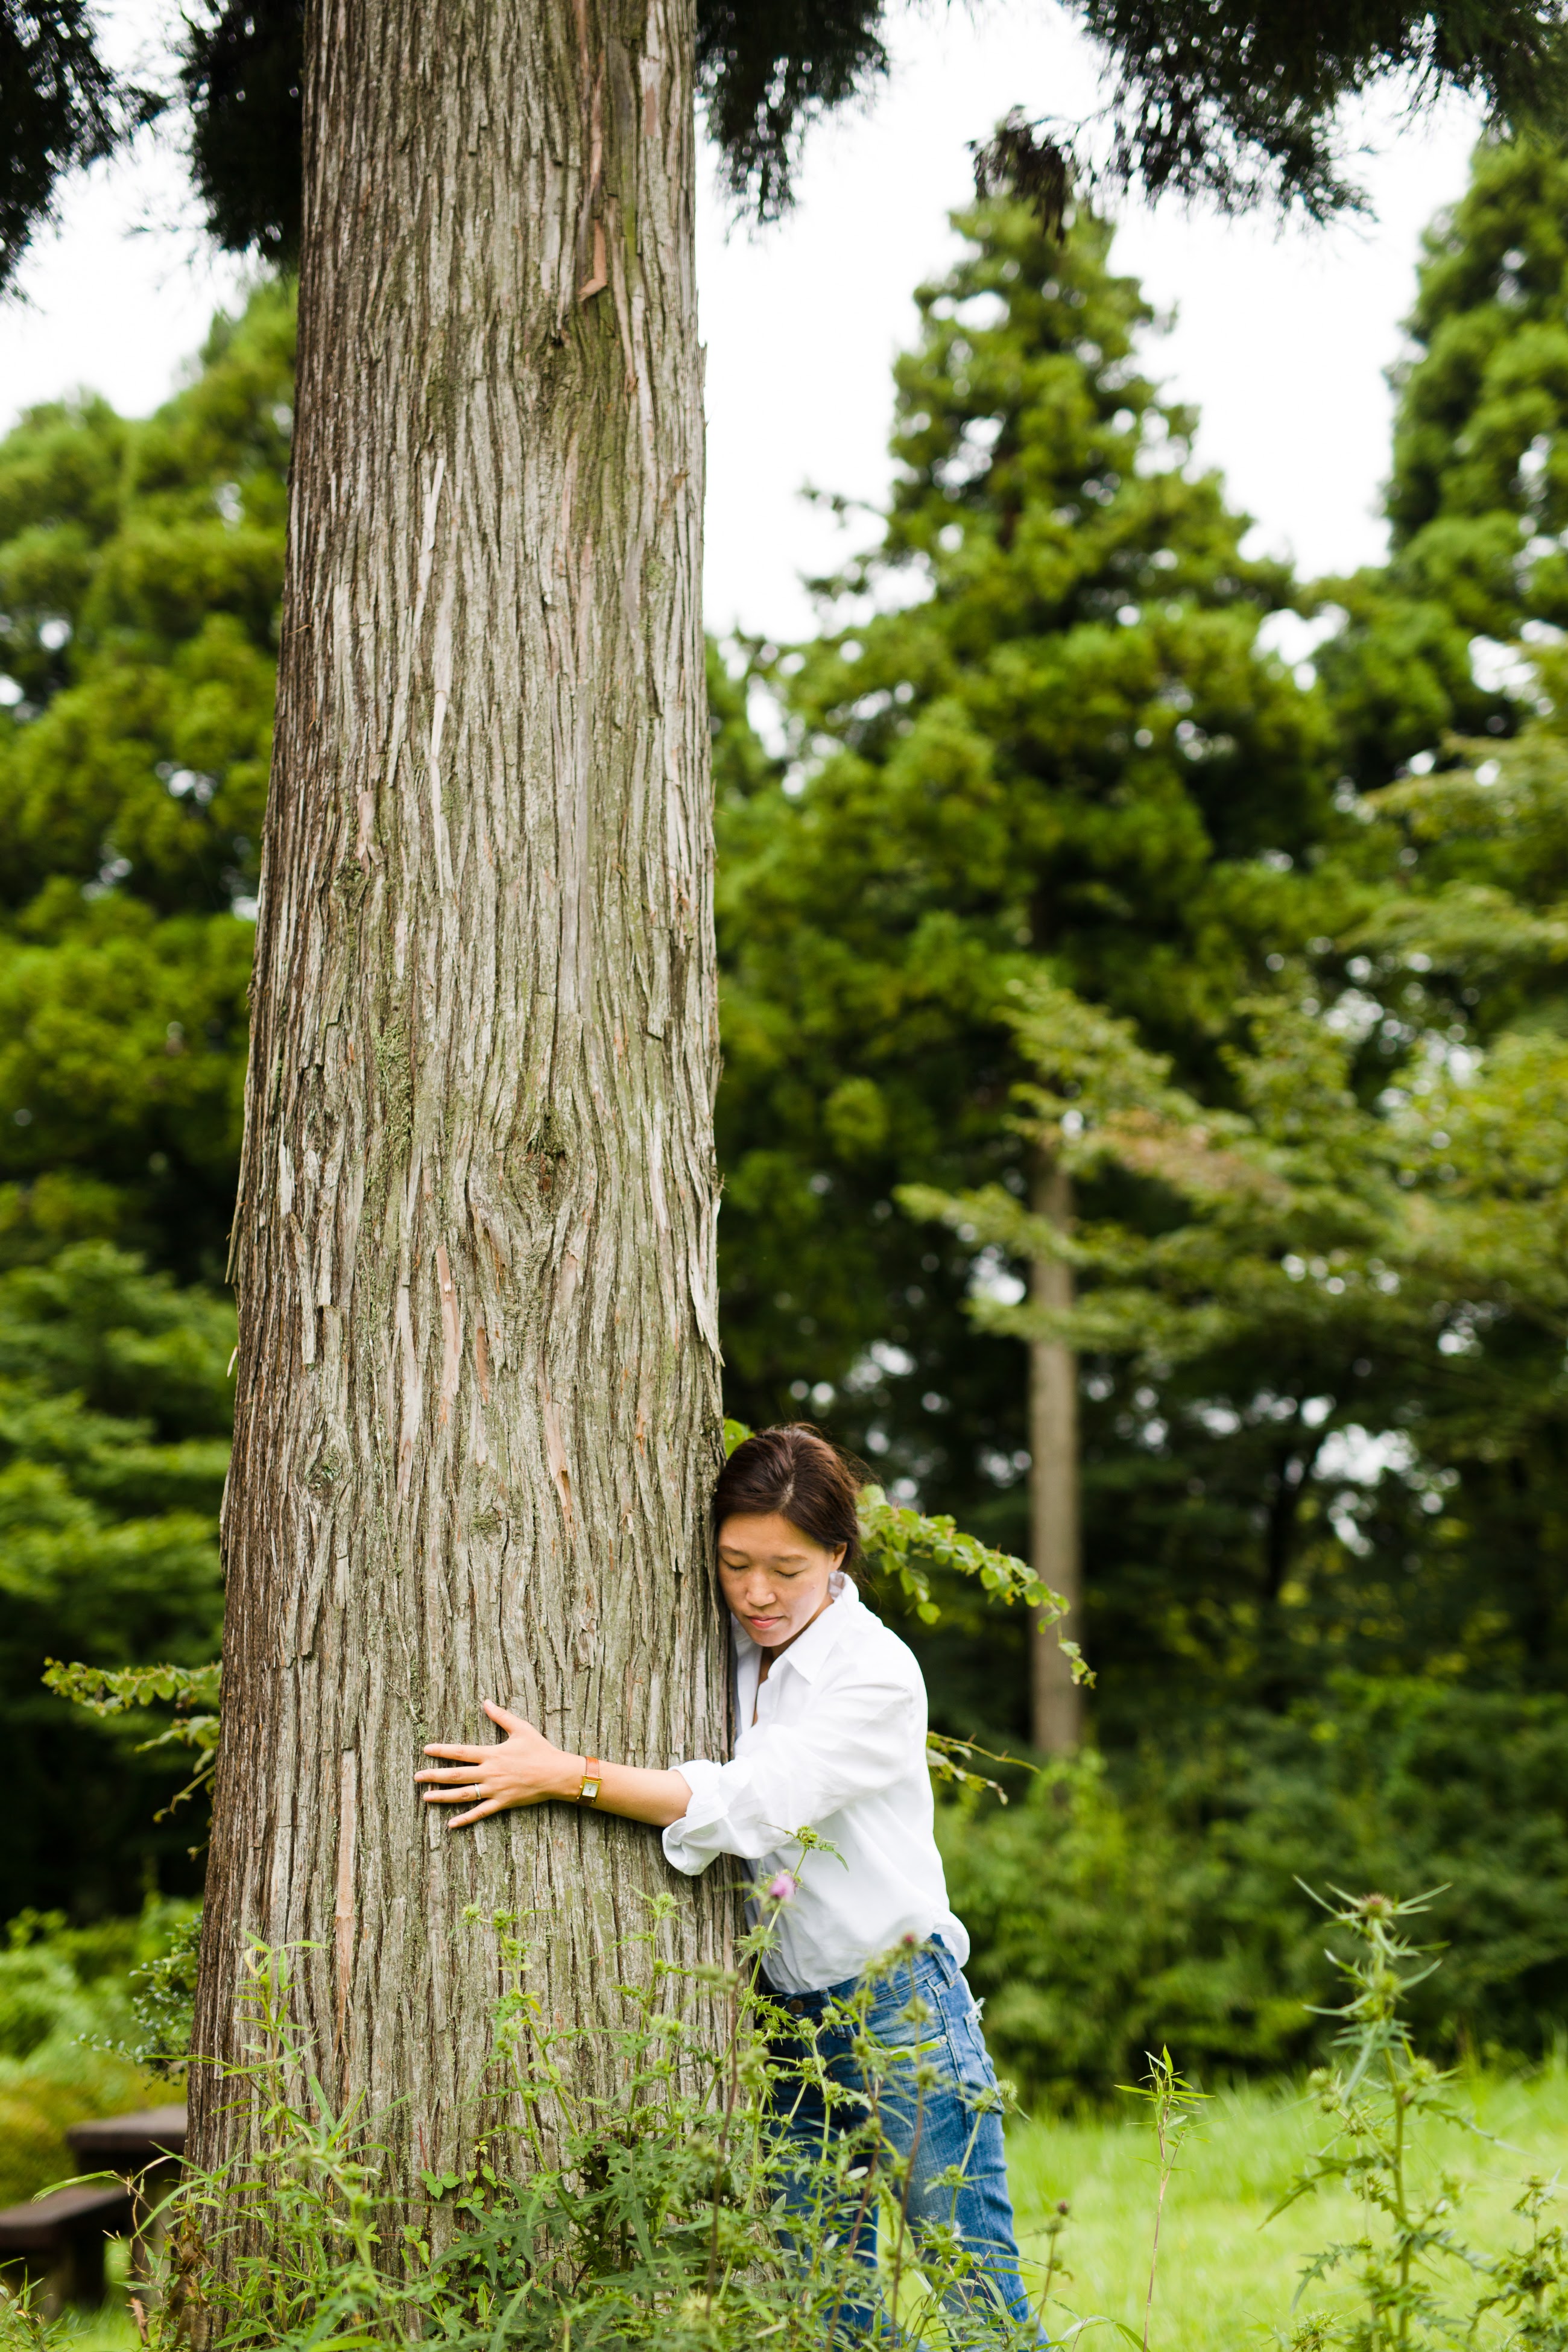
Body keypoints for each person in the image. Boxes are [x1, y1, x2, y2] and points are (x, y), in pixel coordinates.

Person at [416, 1423, 1038, 2341]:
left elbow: (751, 1805)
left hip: (901, 2011)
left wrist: (566, 1775)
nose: (756, 1592)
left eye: (786, 1570)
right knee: (823, 2310)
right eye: (735, 1562)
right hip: (789, 2022)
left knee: (978, 2301)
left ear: (838, 1555)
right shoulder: (733, 1651)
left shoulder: (875, 1676)